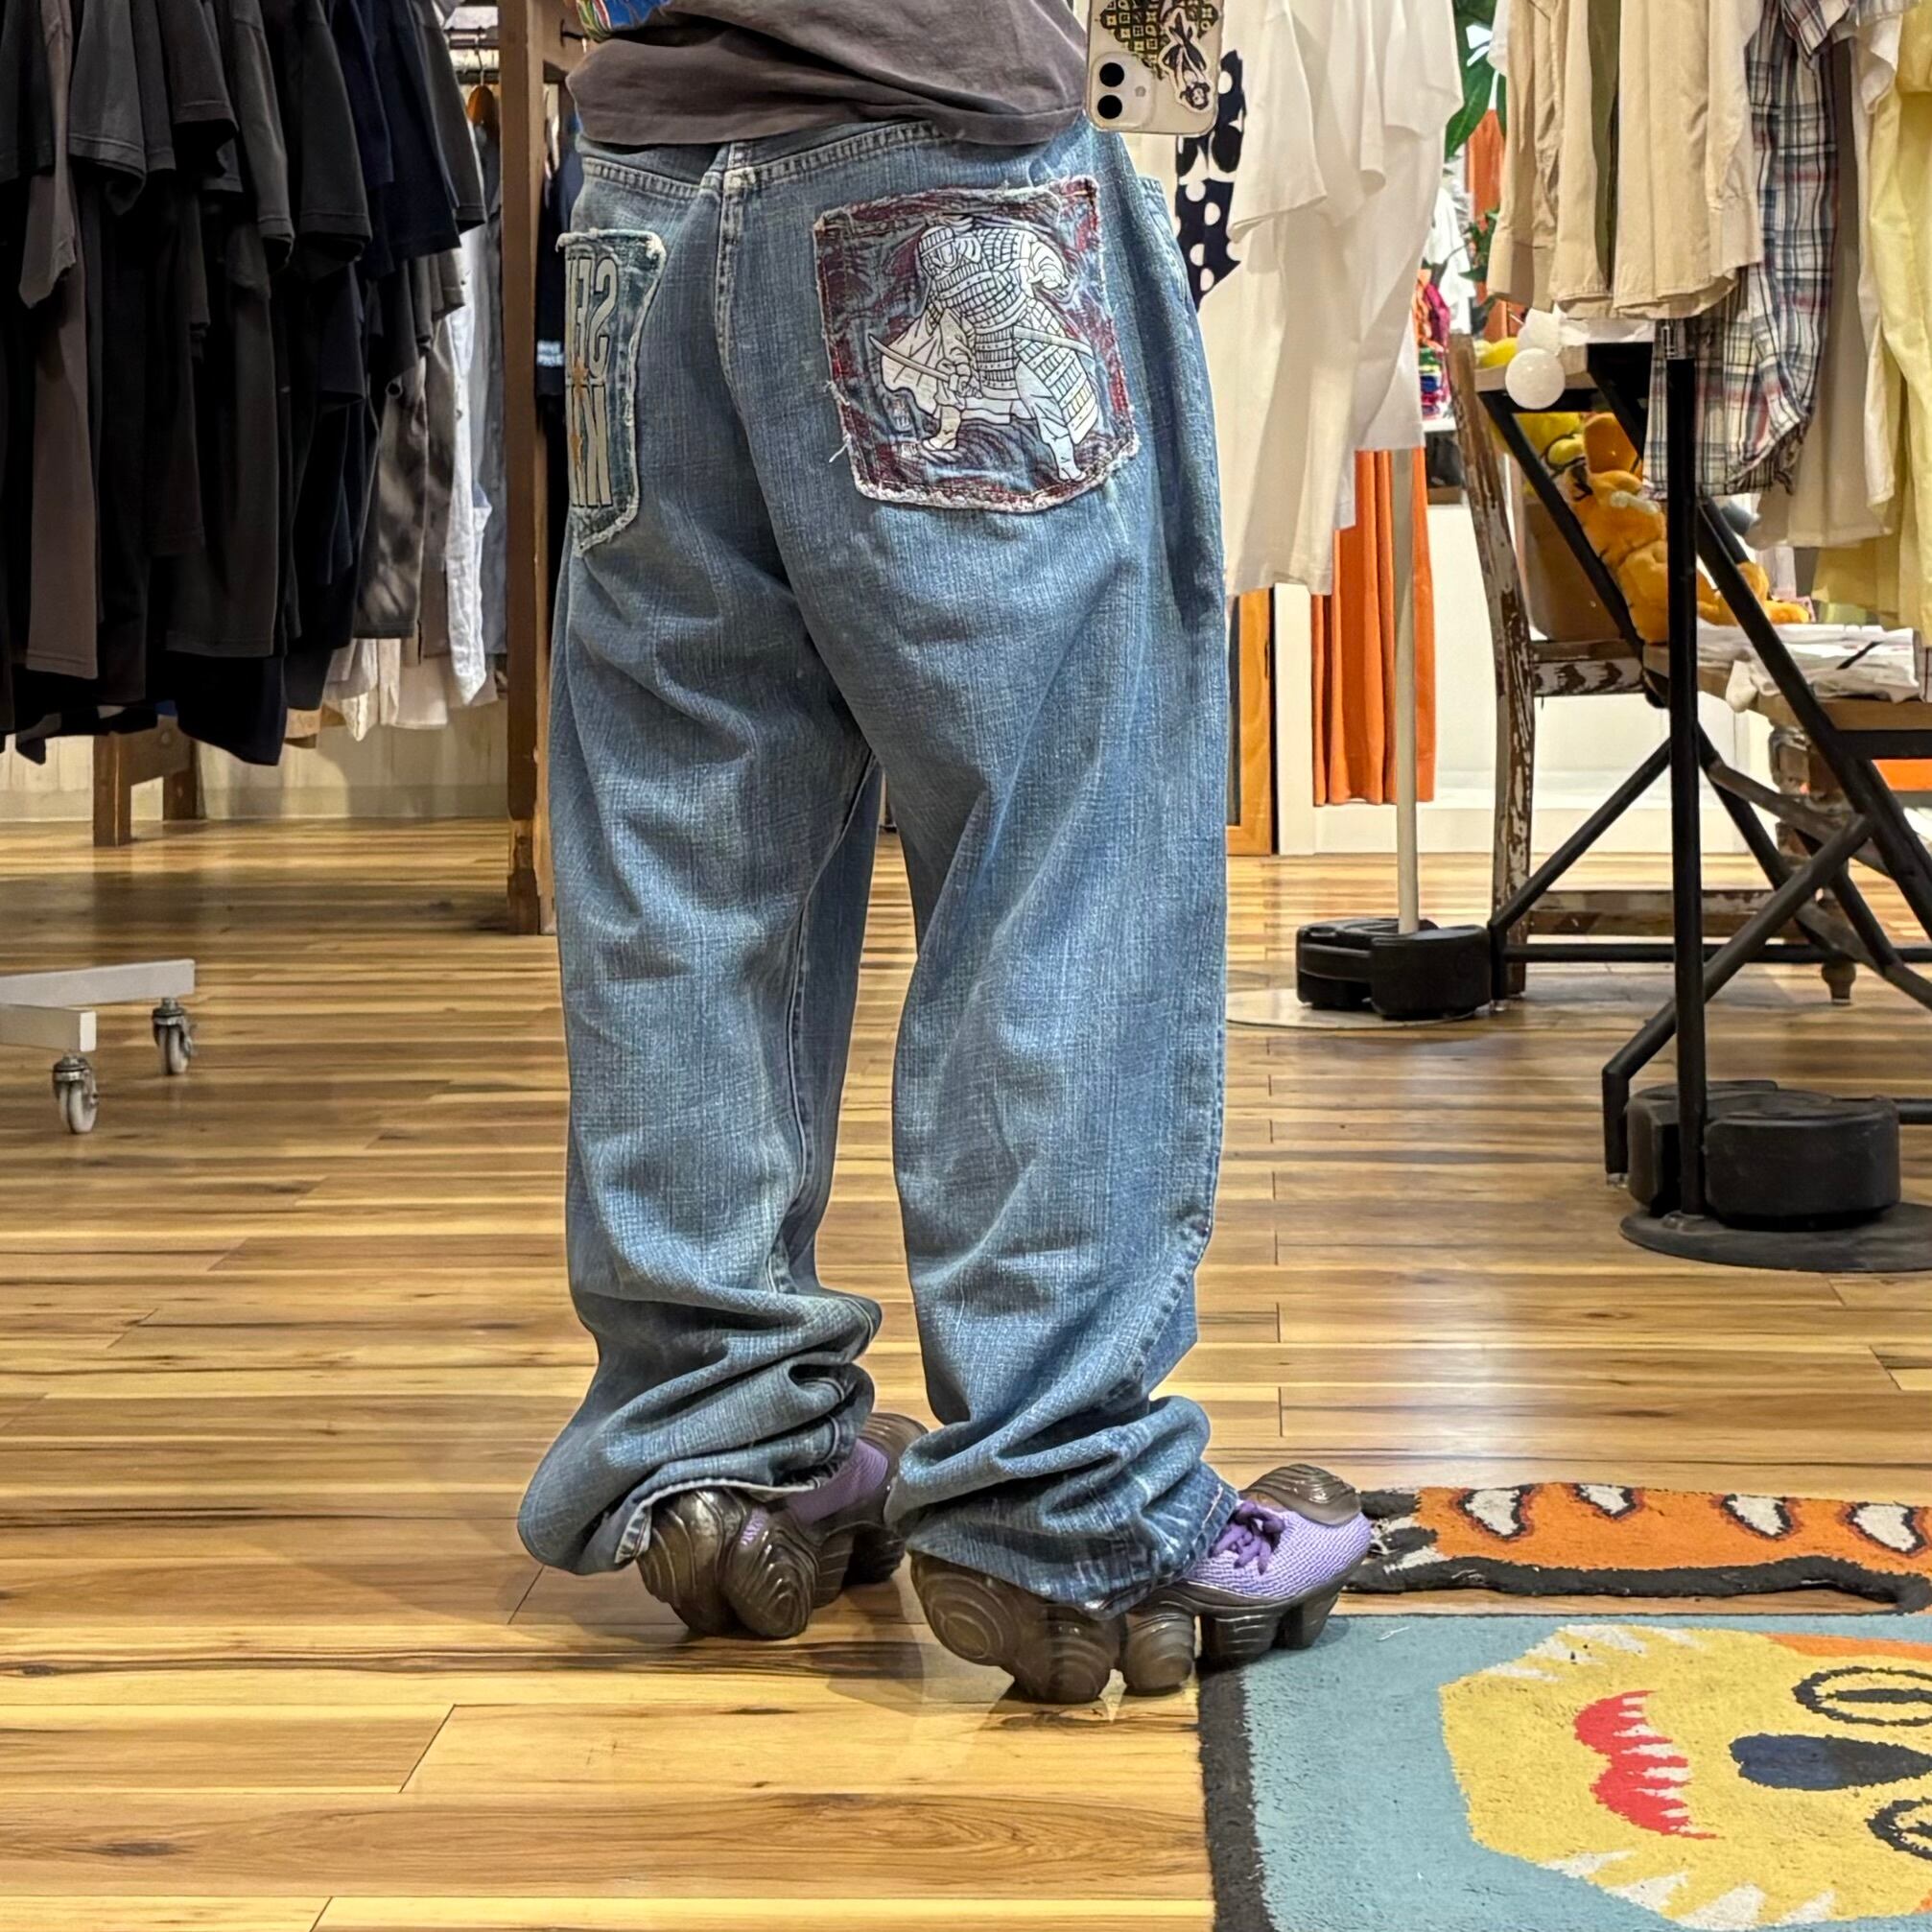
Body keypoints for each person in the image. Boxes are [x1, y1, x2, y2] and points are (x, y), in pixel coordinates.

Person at [516, 0, 1373, 1705]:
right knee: (1057, 834)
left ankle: (718, 1436)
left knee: (686, 843)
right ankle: (1065, 1495)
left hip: (641, 187)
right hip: (938, 152)